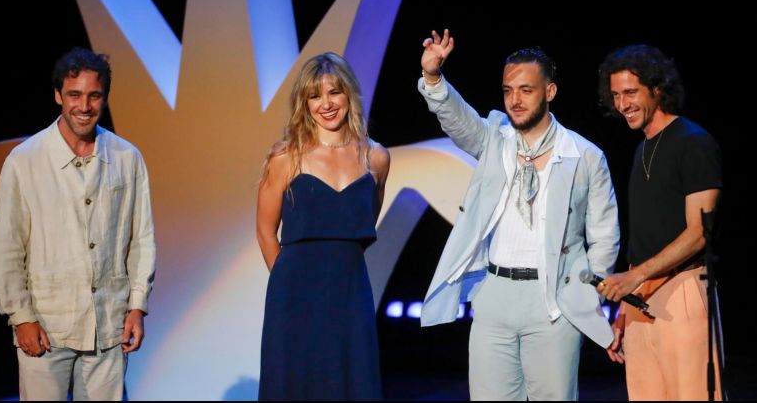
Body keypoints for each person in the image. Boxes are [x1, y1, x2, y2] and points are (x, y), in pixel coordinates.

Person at [418, 30, 620, 400]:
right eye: (508, 90)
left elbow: (605, 234)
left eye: (526, 90)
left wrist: (587, 294)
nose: (515, 99)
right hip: (495, 296)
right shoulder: (495, 138)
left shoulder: (584, 154)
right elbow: (458, 119)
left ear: (550, 92)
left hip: (553, 301)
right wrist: (433, 78)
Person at [0, 47, 157, 401]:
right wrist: (21, 315)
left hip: (108, 323)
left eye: (94, 95)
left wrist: (137, 307)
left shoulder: (127, 158)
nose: (84, 106)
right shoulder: (26, 161)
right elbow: (8, 245)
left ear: (105, 98)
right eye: (75, 95)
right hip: (47, 322)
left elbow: (141, 239)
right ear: (57, 96)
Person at [256, 52, 390, 400]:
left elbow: (362, 225)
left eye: (334, 92)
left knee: (352, 383)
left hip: (350, 292)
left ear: (349, 95)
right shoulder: (286, 157)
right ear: (305, 103)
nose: (326, 104)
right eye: (315, 96)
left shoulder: (375, 157)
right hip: (294, 297)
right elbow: (265, 230)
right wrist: (290, 284)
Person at [597, 44, 723, 400]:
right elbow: (647, 236)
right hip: (640, 300)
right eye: (617, 95)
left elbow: (699, 233)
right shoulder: (641, 150)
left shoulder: (694, 142)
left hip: (682, 291)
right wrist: (626, 303)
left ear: (657, 88)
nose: (623, 104)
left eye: (631, 92)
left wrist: (634, 277)